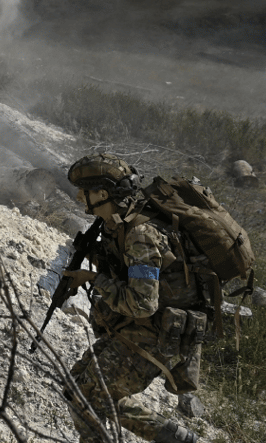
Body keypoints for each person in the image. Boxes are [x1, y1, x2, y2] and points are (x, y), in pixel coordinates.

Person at [61, 153, 213, 443]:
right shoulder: (115, 223)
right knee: (77, 387)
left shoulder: (141, 234)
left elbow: (143, 304)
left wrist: (93, 280)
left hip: (155, 335)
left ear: (103, 193)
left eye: (86, 190)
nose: (80, 196)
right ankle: (177, 439)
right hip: (137, 330)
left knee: (90, 395)